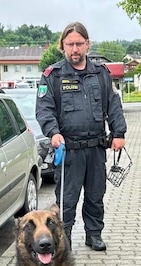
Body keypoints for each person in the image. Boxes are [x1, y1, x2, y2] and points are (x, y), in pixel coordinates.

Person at [35, 21, 127, 251]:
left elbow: (113, 104)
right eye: (70, 44)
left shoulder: (101, 74)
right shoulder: (52, 76)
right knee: (67, 200)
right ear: (62, 46)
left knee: (96, 195)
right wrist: (53, 133)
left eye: (79, 43)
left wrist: (119, 133)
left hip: (96, 148)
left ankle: (93, 234)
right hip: (69, 151)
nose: (74, 49)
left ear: (87, 44)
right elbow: (44, 110)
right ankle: (63, 240)